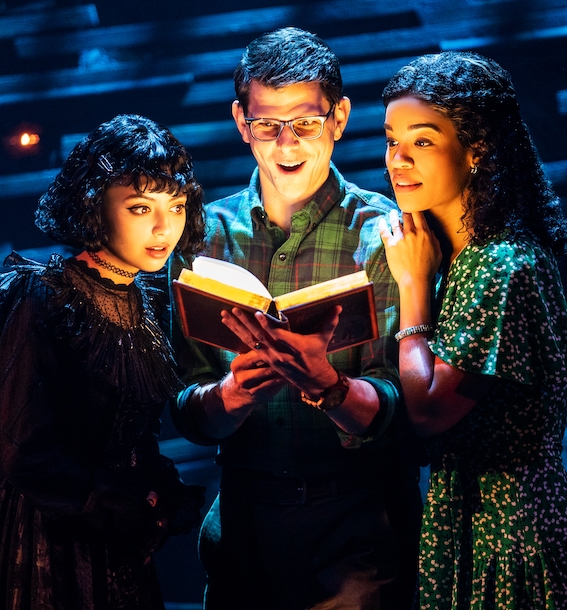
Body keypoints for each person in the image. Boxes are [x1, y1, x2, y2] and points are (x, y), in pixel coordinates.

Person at [168, 27, 423, 610]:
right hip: (244, 527)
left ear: (339, 119)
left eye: (305, 123)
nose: (287, 144)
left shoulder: (388, 234)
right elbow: (182, 404)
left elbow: (406, 408)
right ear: (241, 121)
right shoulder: (200, 237)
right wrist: (230, 395)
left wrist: (329, 386)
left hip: (359, 529)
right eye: (267, 125)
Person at [378, 51, 567, 608]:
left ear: (477, 148)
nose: (398, 160)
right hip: (465, 523)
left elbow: (429, 411)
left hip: (508, 538)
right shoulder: (460, 258)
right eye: (391, 140)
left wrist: (413, 287)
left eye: (422, 141)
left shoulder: (502, 264)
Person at [0, 114, 206, 609]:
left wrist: (154, 495)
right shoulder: (42, 297)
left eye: (177, 206)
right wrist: (107, 502)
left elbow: (134, 435)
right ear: (93, 204)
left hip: (119, 543)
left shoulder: (146, 303)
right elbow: (19, 446)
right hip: (48, 535)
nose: (164, 227)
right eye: (141, 208)